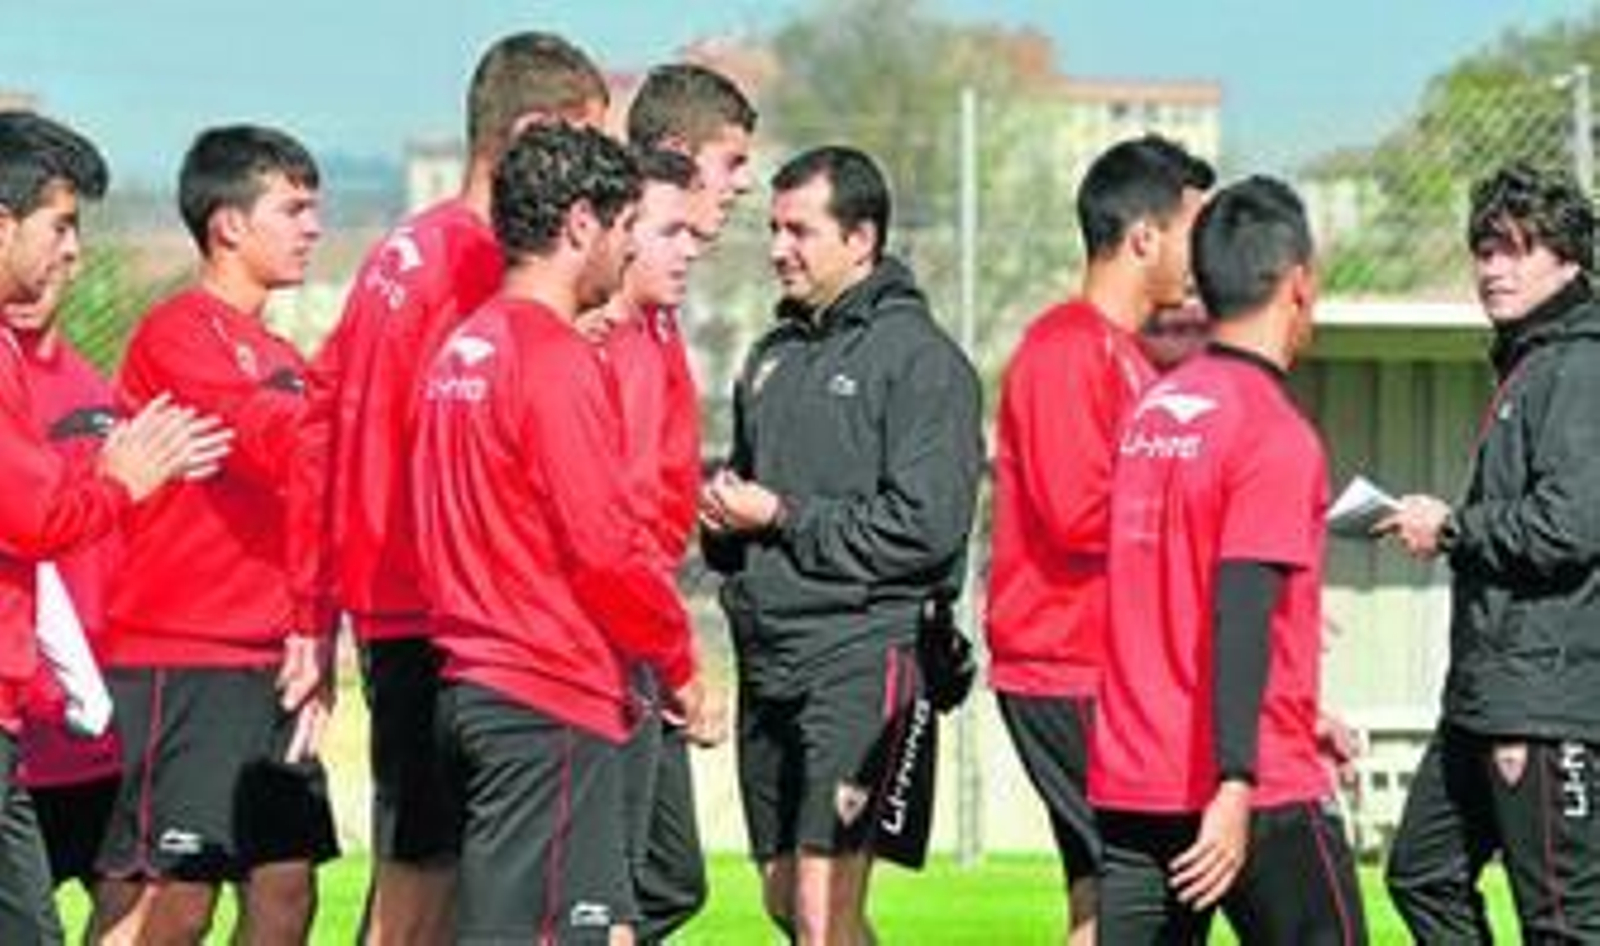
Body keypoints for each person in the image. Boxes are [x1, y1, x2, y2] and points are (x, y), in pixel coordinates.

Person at [285, 31, 610, 945]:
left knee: (428, 873)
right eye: (584, 143)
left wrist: (315, 607)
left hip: (400, 605)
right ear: (535, 132)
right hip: (445, 612)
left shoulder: (403, 247)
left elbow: (320, 425)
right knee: (425, 893)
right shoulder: (479, 265)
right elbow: (467, 445)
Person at [413, 123, 704, 944]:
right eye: (623, 226)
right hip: (546, 695)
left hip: (476, 684)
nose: (627, 249)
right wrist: (678, 660)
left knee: (604, 927)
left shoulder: (463, 349)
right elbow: (605, 549)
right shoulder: (553, 356)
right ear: (581, 224)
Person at [701, 145, 984, 945]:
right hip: (768, 656)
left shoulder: (923, 363)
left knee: (823, 908)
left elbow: (927, 529)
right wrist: (721, 524)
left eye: (800, 230)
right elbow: (753, 508)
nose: (777, 248)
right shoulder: (772, 356)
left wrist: (782, 515)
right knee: (787, 902)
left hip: (866, 654)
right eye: (773, 228)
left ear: (861, 240)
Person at [1089, 176, 1366, 944]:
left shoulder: (1151, 413)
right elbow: (1238, 610)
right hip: (1249, 788)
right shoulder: (1272, 432)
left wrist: (1302, 712)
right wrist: (1237, 779)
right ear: (1300, 285)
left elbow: (1168, 598)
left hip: (1135, 780)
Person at [94, 124, 339, 945]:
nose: (313, 227)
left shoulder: (285, 356)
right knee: (174, 901)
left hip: (273, 664)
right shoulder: (178, 334)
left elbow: (318, 499)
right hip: (185, 656)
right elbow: (272, 440)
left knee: (286, 893)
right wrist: (363, 392)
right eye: (293, 209)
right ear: (229, 224)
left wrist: (317, 628)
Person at [0, 109, 230, 945]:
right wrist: (120, 479)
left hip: (74, 720)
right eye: (58, 225)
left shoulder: (73, 378)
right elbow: (38, 519)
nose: (71, 251)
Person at [983, 133, 1212, 944]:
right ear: (1144, 237)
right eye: (1193, 230)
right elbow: (1078, 511)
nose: (1205, 254)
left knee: (1108, 898)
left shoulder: (1131, 359)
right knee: (1154, 890)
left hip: (1110, 667)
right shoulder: (1065, 347)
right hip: (1068, 666)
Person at [1382, 163, 1600, 942]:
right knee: (1423, 875)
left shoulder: (1580, 364)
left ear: (1568, 258)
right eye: (1484, 250)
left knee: (1564, 923)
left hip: (1545, 699)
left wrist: (1453, 528)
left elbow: (1570, 525)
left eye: (1516, 249)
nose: (1493, 269)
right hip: (1484, 693)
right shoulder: (1529, 362)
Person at [599, 61, 757, 944]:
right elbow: (607, 515)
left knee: (665, 882)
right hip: (612, 634)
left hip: (643, 622)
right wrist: (672, 654)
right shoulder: (608, 322)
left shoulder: (660, 306)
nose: (740, 185)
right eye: (729, 162)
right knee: (607, 893)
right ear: (672, 156)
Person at [5, 271, 124, 902]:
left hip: (95, 721)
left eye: (60, 235)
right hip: (21, 714)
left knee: (134, 903)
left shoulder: (102, 394)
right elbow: (34, 531)